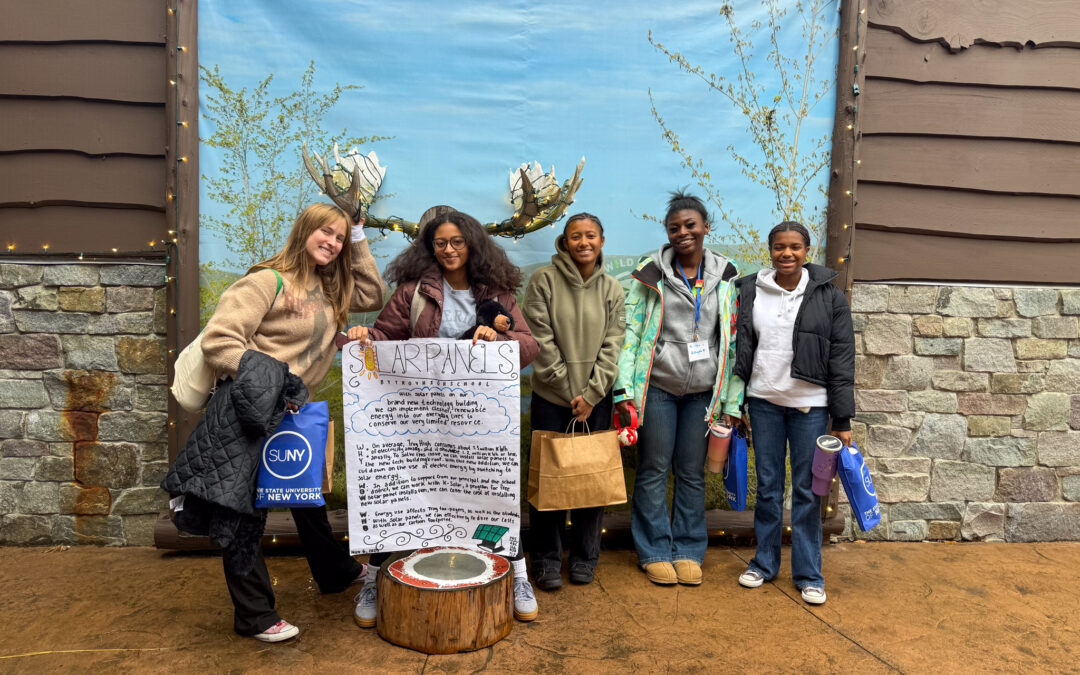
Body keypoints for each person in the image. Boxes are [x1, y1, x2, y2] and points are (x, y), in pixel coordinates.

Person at [164, 202, 386, 642]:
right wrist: (274, 381)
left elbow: (372, 295)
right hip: (245, 411)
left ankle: (335, 572)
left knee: (303, 495)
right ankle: (254, 615)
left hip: (289, 410)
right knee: (243, 514)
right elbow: (220, 342)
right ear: (303, 231)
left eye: (339, 238)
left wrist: (358, 234)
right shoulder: (267, 281)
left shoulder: (329, 289)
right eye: (325, 232)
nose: (332, 242)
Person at [348, 207, 540, 626]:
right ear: (429, 247)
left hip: (479, 420)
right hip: (420, 416)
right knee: (398, 490)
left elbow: (528, 347)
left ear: (472, 244)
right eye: (441, 243)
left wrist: (500, 336)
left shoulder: (496, 292)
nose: (450, 249)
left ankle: (519, 574)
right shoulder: (413, 292)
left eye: (457, 241)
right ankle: (374, 577)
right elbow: (385, 337)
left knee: (491, 491)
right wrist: (366, 337)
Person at [613, 192, 742, 587]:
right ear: (667, 233)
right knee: (653, 469)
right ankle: (653, 550)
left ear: (706, 226)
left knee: (691, 473)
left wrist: (731, 400)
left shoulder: (727, 276)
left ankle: (687, 549)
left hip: (704, 393)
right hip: (658, 388)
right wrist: (624, 390)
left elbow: (732, 342)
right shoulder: (650, 273)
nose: (683, 233)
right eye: (674, 228)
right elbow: (632, 331)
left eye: (690, 225)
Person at [732, 221, 854, 606]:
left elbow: (842, 358)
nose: (787, 254)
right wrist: (735, 402)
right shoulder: (750, 290)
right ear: (769, 249)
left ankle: (808, 574)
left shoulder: (829, 296)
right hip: (764, 400)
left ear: (807, 250)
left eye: (796, 247)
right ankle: (763, 564)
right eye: (780, 247)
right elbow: (740, 346)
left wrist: (843, 418)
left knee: (807, 490)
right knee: (768, 487)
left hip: (810, 406)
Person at [522, 213, 625, 590]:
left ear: (601, 240)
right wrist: (570, 394)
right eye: (575, 236)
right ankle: (546, 559)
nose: (584, 242)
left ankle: (585, 557)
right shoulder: (543, 281)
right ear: (564, 243)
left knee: (591, 480)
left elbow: (615, 343)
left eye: (591, 236)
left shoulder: (612, 287)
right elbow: (539, 341)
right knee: (548, 482)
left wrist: (593, 394)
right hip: (552, 398)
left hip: (597, 399)